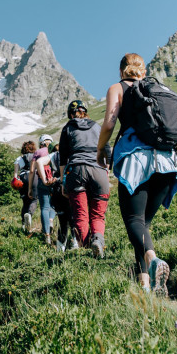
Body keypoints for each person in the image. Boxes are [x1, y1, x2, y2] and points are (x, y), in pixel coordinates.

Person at [96, 53, 177, 294]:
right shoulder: (158, 88)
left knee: (134, 221)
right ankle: (146, 284)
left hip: (136, 160)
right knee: (142, 225)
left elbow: (110, 122)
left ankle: (153, 260)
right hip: (167, 162)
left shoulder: (118, 87)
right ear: (143, 71)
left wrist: (101, 148)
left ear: (122, 70)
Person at [59, 100, 111, 258]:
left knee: (81, 215)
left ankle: (88, 250)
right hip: (98, 171)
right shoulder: (96, 126)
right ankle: (98, 241)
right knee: (98, 214)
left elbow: (62, 159)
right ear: (85, 111)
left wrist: (63, 182)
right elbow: (107, 151)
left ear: (70, 114)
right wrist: (105, 172)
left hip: (76, 172)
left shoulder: (68, 128)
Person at [34, 144, 79, 252]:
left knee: (63, 221)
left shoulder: (55, 155)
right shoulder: (75, 152)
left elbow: (39, 162)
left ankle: (60, 249)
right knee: (74, 218)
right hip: (74, 187)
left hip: (58, 189)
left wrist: (45, 181)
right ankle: (75, 244)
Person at [28, 134, 56, 244]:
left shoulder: (38, 153)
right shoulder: (54, 151)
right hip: (54, 180)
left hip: (42, 181)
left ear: (41, 143)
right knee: (54, 204)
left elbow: (31, 171)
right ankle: (50, 220)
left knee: (44, 207)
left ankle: (47, 236)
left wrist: (30, 188)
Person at [14, 141, 38, 233]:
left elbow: (15, 175)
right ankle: (29, 214)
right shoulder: (36, 156)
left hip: (23, 178)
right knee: (34, 199)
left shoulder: (19, 158)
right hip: (34, 177)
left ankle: (24, 224)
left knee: (25, 202)